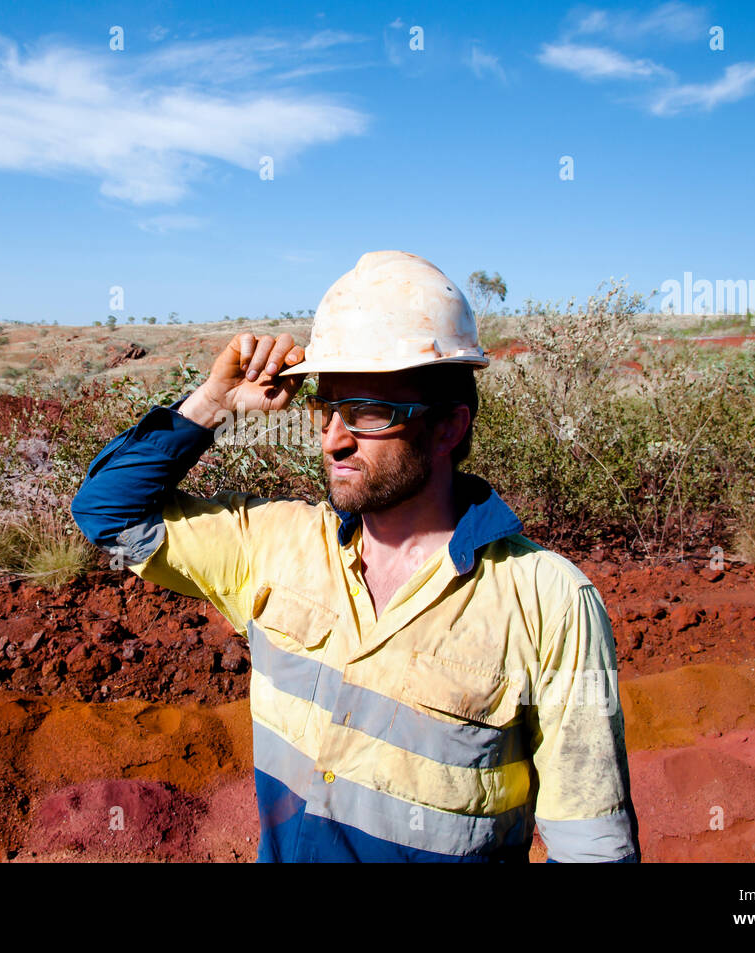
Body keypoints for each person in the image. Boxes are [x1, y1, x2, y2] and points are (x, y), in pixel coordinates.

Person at [71, 250, 639, 862]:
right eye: (329, 409)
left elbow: (593, 849)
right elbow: (110, 514)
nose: (335, 438)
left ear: (449, 427)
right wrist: (213, 402)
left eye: (369, 413)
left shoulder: (549, 603)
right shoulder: (276, 545)